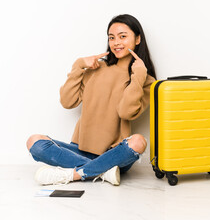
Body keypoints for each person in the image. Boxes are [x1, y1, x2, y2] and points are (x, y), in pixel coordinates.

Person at [26, 14, 156, 186]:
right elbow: (67, 101)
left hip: (114, 154)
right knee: (34, 141)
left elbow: (126, 112)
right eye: (111, 37)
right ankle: (102, 172)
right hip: (79, 151)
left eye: (123, 36)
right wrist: (78, 66)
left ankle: (73, 174)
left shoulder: (146, 81)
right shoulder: (96, 68)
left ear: (138, 39)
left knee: (138, 141)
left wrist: (138, 76)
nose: (116, 42)